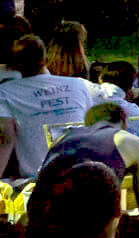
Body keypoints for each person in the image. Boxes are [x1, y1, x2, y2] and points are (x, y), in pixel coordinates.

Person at [38, 102, 139, 238]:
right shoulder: (130, 141)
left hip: (41, 229)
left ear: (87, 124)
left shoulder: (62, 139)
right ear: (124, 121)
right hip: (91, 234)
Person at [0, 34, 98, 179]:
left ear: (13, 66)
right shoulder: (78, 84)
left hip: (39, 179)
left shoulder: (5, 92)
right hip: (85, 171)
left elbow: (5, 140)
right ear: (46, 60)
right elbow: (92, 126)